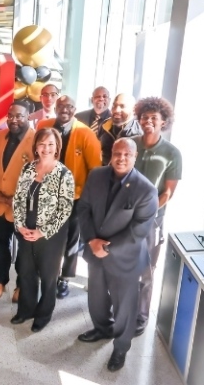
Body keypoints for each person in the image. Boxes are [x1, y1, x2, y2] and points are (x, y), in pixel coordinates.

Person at [77, 138, 159, 372]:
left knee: (124, 306)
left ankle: (121, 347)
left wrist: (106, 248)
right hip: (95, 249)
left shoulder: (146, 190)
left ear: (135, 157)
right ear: (111, 154)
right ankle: (102, 328)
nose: (121, 158)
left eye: (127, 155)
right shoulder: (96, 175)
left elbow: (139, 231)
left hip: (125, 258)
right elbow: (83, 209)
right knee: (96, 296)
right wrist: (91, 240)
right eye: (117, 153)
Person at [10, 128, 74, 333]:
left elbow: (65, 210)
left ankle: (43, 315)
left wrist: (42, 232)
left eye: (50, 144)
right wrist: (20, 225)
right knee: (26, 272)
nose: (46, 148)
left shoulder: (64, 174)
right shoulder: (28, 168)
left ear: (57, 147)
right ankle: (25, 310)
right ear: (35, 147)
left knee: (48, 276)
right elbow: (18, 198)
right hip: (26, 229)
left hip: (51, 235)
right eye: (42, 144)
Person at [37, 95, 101, 298]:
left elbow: (95, 169)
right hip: (47, 193)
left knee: (71, 240)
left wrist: (87, 199)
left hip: (74, 196)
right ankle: (48, 273)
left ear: (75, 109)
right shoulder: (44, 125)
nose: (65, 109)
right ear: (55, 107)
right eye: (61, 106)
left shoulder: (85, 133)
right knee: (47, 235)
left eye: (70, 106)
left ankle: (64, 278)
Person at [132, 96, 182, 336]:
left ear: (164, 122)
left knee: (145, 269)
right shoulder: (130, 144)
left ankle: (140, 316)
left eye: (154, 118)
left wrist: (147, 212)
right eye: (144, 117)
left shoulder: (172, 153)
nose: (148, 121)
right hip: (123, 216)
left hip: (152, 220)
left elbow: (168, 192)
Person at [0, 101, 35, 301]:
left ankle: (22, 285)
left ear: (28, 117)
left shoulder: (37, 140)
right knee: (0, 245)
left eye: (19, 116)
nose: (14, 120)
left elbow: (39, 177)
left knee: (25, 250)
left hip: (23, 208)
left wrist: (17, 199)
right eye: (10, 116)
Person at [99, 93, 142, 166]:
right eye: (114, 106)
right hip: (103, 171)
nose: (116, 110)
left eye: (122, 106)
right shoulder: (104, 125)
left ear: (134, 109)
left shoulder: (138, 132)